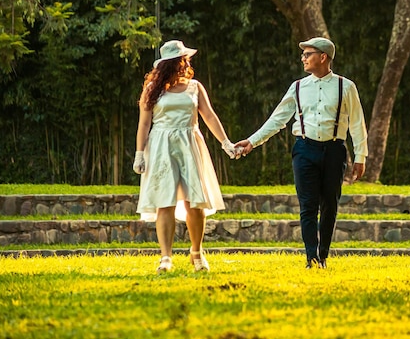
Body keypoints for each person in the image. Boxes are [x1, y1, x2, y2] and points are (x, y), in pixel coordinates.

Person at [235, 37, 368, 269]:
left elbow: (357, 124)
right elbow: (278, 119)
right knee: (308, 205)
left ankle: (323, 254)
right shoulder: (297, 87)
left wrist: (360, 157)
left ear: (323, 57)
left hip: (335, 150)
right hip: (305, 149)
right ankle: (311, 257)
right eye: (304, 54)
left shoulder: (345, 87)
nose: (303, 58)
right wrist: (253, 141)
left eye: (308, 54)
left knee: (330, 205)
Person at [133, 39, 238, 273]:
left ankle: (196, 252)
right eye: (180, 61)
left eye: (185, 61)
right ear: (168, 65)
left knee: (195, 201)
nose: (184, 65)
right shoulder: (152, 89)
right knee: (164, 201)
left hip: (190, 142)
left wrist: (225, 143)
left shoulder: (195, 87)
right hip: (161, 145)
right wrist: (139, 153)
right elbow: (144, 123)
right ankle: (166, 256)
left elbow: (209, 116)